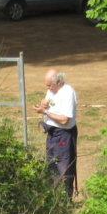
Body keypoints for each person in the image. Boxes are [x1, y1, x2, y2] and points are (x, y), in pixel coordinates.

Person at [32, 68, 77, 198]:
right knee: (51, 164)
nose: (47, 88)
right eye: (46, 85)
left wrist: (45, 112)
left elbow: (64, 120)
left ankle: (66, 199)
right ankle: (54, 196)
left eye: (49, 85)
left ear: (58, 82)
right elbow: (48, 103)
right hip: (52, 134)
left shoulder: (68, 93)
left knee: (64, 168)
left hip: (64, 135)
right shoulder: (52, 90)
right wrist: (43, 105)